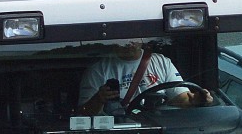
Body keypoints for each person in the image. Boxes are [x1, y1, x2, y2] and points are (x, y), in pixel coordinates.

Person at [77, 38, 211, 117]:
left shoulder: (161, 62)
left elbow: (181, 98)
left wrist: (196, 100)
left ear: (142, 39)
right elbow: (83, 115)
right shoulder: (98, 70)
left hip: (159, 126)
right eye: (122, 38)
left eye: (133, 37)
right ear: (112, 40)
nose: (128, 43)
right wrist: (99, 99)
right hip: (117, 132)